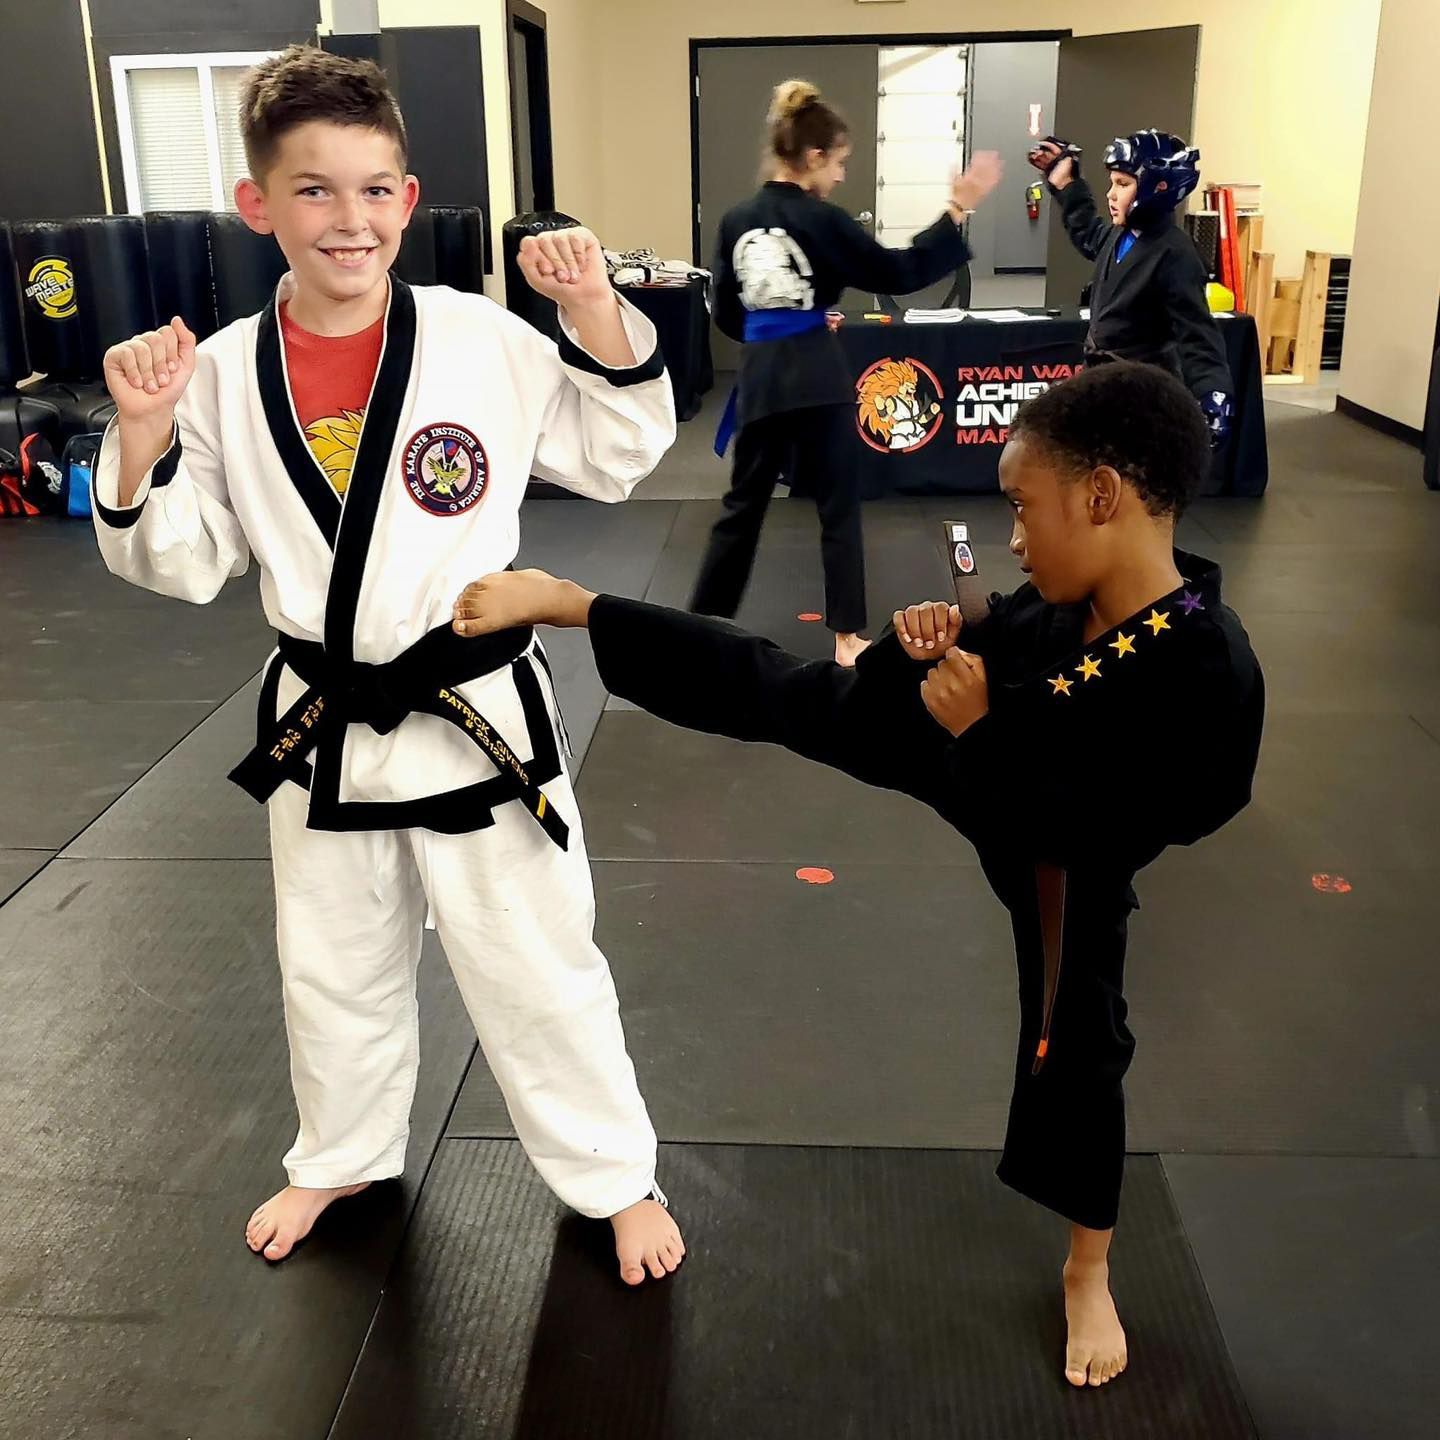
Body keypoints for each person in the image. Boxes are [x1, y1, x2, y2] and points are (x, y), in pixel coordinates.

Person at [453, 361, 1265, 1386]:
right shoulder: (1054, 612)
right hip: (979, 741)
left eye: (1024, 508)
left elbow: (1155, 820)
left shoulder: (1208, 666)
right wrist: (925, 642)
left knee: (1081, 1039)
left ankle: (1088, 1268)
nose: (1012, 536)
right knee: (795, 693)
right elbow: (988, 636)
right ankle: (582, 606)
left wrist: (985, 738)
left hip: (1061, 843)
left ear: (1101, 498)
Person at [92, 45, 684, 1287]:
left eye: (373, 190)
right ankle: (343, 1154)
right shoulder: (218, 375)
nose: (346, 220)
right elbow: (188, 560)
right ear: (257, 205)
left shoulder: (482, 343)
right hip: (325, 719)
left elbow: (615, 450)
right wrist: (141, 440)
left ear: (409, 201)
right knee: (331, 958)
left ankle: (611, 1175)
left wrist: (588, 313)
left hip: (472, 706)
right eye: (312, 190)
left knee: (534, 957)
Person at [696, 78, 1003, 667]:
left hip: (762, 378)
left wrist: (774, 326)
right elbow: (900, 270)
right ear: (813, 156)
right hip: (816, 376)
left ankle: (703, 625)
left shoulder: (737, 219)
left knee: (742, 507)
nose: (839, 176)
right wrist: (957, 207)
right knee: (838, 507)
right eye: (837, 162)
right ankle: (846, 639)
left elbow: (731, 313)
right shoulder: (823, 221)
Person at [1028, 129, 1235, 446]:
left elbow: (1198, 336)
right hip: (1102, 386)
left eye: (1123, 184)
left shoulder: (1175, 254)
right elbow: (1088, 232)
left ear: (1158, 188)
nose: (1111, 194)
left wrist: (1213, 393)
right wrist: (1067, 185)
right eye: (1112, 182)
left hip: (1141, 397)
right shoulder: (1120, 234)